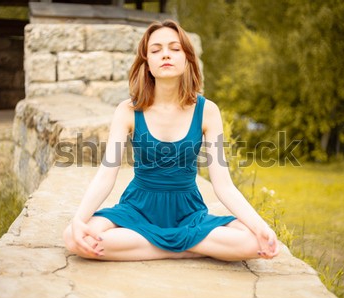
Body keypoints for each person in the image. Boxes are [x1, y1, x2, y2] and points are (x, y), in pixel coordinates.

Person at [63, 19, 279, 262]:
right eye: (156, 50)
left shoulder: (207, 111)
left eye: (174, 49)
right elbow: (106, 175)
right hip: (137, 209)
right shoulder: (128, 110)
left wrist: (261, 226)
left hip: (187, 213)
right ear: (147, 63)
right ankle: (189, 248)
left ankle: (159, 246)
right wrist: (78, 219)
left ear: (187, 58)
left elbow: (224, 185)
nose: (165, 55)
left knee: (252, 243)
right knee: (73, 237)